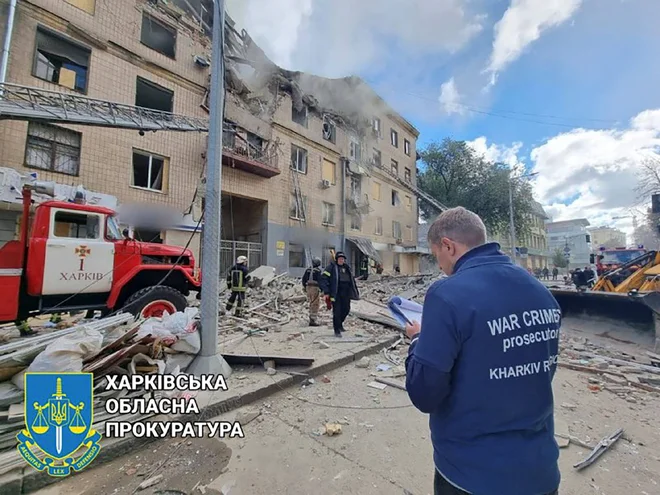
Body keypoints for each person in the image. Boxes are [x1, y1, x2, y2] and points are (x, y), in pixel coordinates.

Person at [404, 207, 560, 495]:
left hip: (470, 476)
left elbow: (424, 393)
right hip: (541, 472)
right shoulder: (541, 292)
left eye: (437, 255)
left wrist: (417, 340)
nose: (439, 266)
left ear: (448, 246)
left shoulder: (447, 294)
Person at [320, 251, 359, 337]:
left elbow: (352, 281)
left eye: (343, 259)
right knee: (337, 312)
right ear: (336, 259)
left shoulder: (347, 268)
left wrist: (355, 292)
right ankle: (337, 330)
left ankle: (340, 324)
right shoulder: (331, 268)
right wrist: (326, 292)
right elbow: (323, 279)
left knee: (346, 309)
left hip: (346, 294)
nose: (341, 260)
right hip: (336, 294)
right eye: (340, 259)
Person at [302, 257, 322, 326]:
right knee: (315, 303)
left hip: (308, 287)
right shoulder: (318, 271)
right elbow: (320, 280)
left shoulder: (307, 270)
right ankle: (313, 319)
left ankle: (311, 317)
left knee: (311, 302)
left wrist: (305, 287)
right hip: (315, 288)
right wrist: (322, 289)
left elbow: (303, 279)